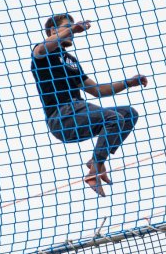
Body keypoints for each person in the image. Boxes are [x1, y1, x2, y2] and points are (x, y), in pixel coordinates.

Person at [31, 14, 148, 196]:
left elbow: (98, 90)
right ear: (54, 30)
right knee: (113, 118)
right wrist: (73, 29)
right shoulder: (44, 52)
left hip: (79, 111)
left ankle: (96, 162)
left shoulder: (71, 62)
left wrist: (128, 83)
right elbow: (41, 49)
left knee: (128, 114)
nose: (72, 31)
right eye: (66, 27)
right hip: (62, 116)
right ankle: (96, 166)